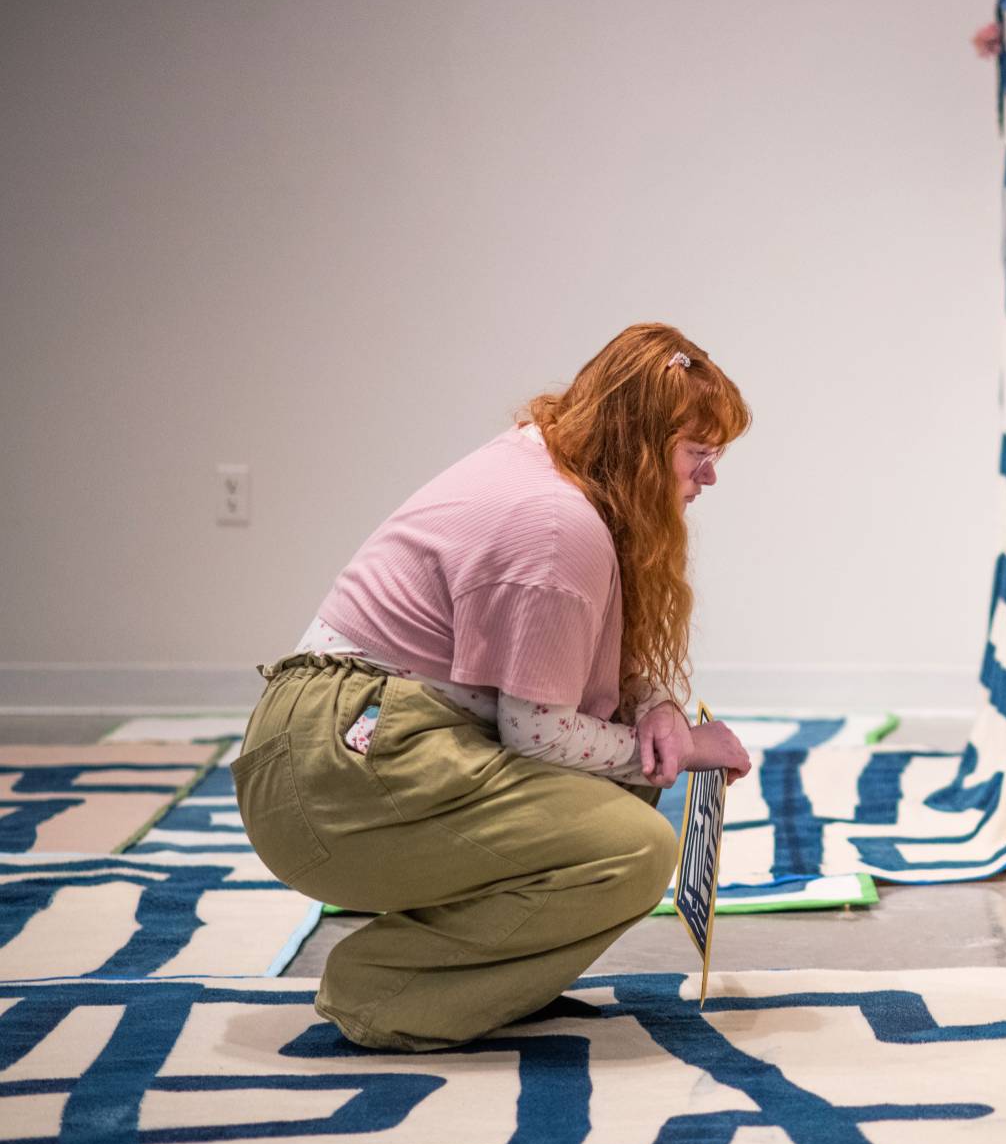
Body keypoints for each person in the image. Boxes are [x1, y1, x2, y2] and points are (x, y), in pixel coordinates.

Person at [232, 323, 754, 1052]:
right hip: (329, 773)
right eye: (698, 455)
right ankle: (385, 991)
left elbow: (587, 663)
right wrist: (684, 746)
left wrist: (658, 706)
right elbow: (537, 731)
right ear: (641, 447)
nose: (709, 477)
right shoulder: (556, 526)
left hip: (335, 742)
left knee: (621, 796)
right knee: (634, 847)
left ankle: (467, 978)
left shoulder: (553, 466)